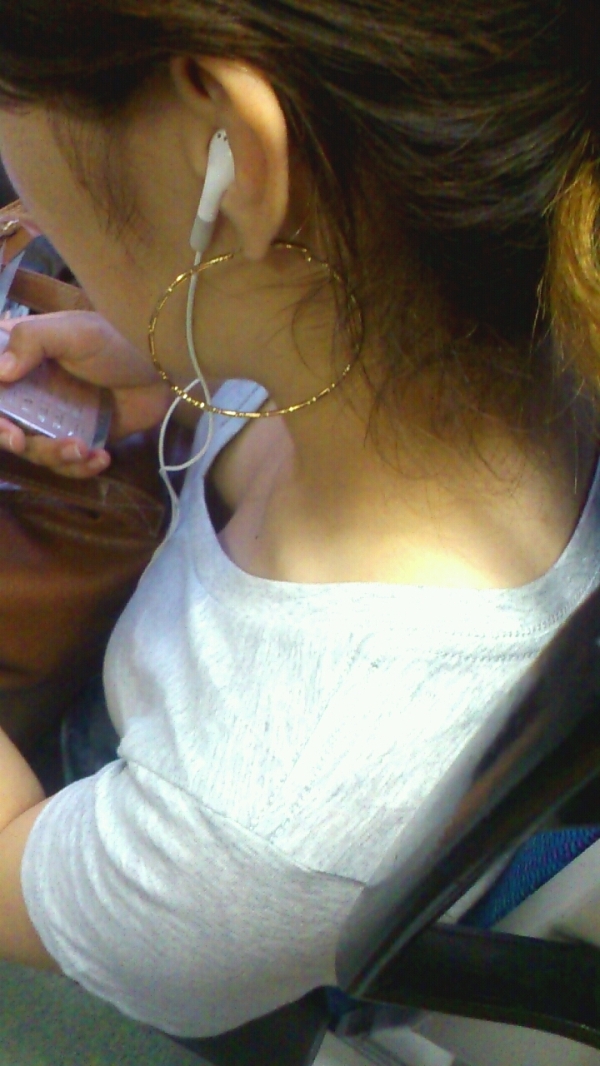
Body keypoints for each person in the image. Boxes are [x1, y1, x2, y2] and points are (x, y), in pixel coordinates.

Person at [0, 0, 595, 1040]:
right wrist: (168, 369)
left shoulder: (259, 818)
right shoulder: (488, 318)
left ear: (223, 156)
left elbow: (18, 867)